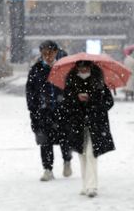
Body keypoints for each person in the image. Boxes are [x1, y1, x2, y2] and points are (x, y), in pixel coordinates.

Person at [62, 61, 115, 197]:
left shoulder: (99, 81)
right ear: (77, 68)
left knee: (92, 154)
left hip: (96, 124)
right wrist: (76, 98)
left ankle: (92, 186)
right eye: (81, 67)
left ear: (90, 67)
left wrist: (92, 102)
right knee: (82, 155)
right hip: (77, 124)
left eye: (86, 67)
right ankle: (85, 185)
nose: (84, 70)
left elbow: (109, 102)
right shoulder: (71, 81)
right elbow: (65, 103)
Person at [26, 40, 72, 181]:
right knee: (45, 142)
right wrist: (33, 109)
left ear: (56, 52)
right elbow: (30, 92)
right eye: (45, 53)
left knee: (65, 140)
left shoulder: (64, 68)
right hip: (43, 112)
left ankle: (67, 161)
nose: (48, 56)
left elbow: (71, 88)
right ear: (41, 54)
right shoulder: (36, 69)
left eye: (51, 52)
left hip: (62, 111)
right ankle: (47, 169)